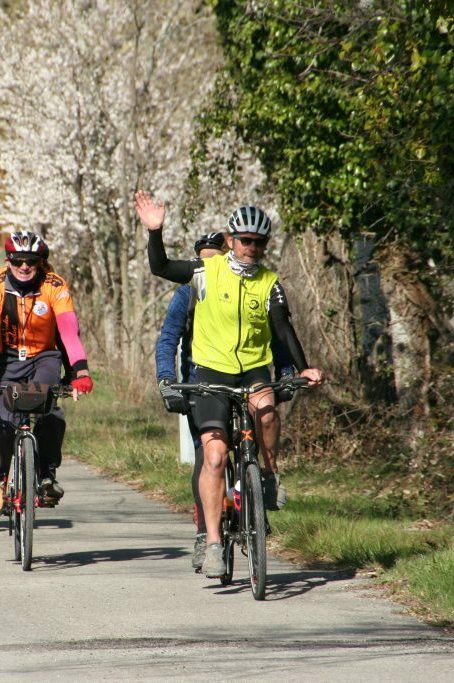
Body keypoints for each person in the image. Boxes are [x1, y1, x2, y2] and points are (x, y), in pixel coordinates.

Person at [136, 191, 323, 579]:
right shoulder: (204, 272)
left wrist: (302, 369)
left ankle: (268, 476)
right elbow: (161, 266)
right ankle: (214, 543)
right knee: (216, 457)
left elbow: (283, 331)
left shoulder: (270, 282)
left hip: (253, 370)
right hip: (210, 373)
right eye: (245, 241)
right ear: (231, 239)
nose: (252, 248)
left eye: (259, 243)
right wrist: (155, 232)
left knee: (267, 412)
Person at [154, 231, 297, 571]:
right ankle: (208, 535)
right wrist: (167, 379)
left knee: (260, 420)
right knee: (210, 457)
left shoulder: (245, 285)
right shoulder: (187, 293)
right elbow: (167, 341)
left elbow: (274, 332)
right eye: (201, 257)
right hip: (198, 385)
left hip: (243, 377)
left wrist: (289, 372)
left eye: (212, 255)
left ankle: (259, 492)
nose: (207, 263)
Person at [0, 231, 94, 522]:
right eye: (18, 260)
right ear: (8, 261)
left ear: (40, 262)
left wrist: (80, 370)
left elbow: (69, 331)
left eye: (30, 261)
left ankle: (46, 474)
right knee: (0, 421)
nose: (24, 267)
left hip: (42, 357)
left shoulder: (54, 285)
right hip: (1, 359)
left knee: (50, 410)